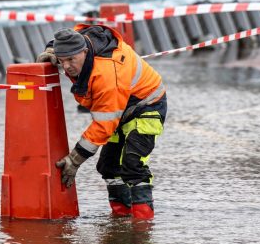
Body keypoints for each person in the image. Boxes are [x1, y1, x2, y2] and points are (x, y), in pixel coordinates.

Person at [36, 24, 167, 219]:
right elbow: (71, 35)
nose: (67, 67)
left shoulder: (107, 74)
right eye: (62, 61)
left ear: (85, 51)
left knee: (133, 163)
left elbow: (104, 125)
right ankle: (122, 216)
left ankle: (142, 226)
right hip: (119, 108)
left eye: (71, 59)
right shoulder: (80, 42)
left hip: (146, 106)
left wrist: (74, 160)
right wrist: (51, 49)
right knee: (108, 165)